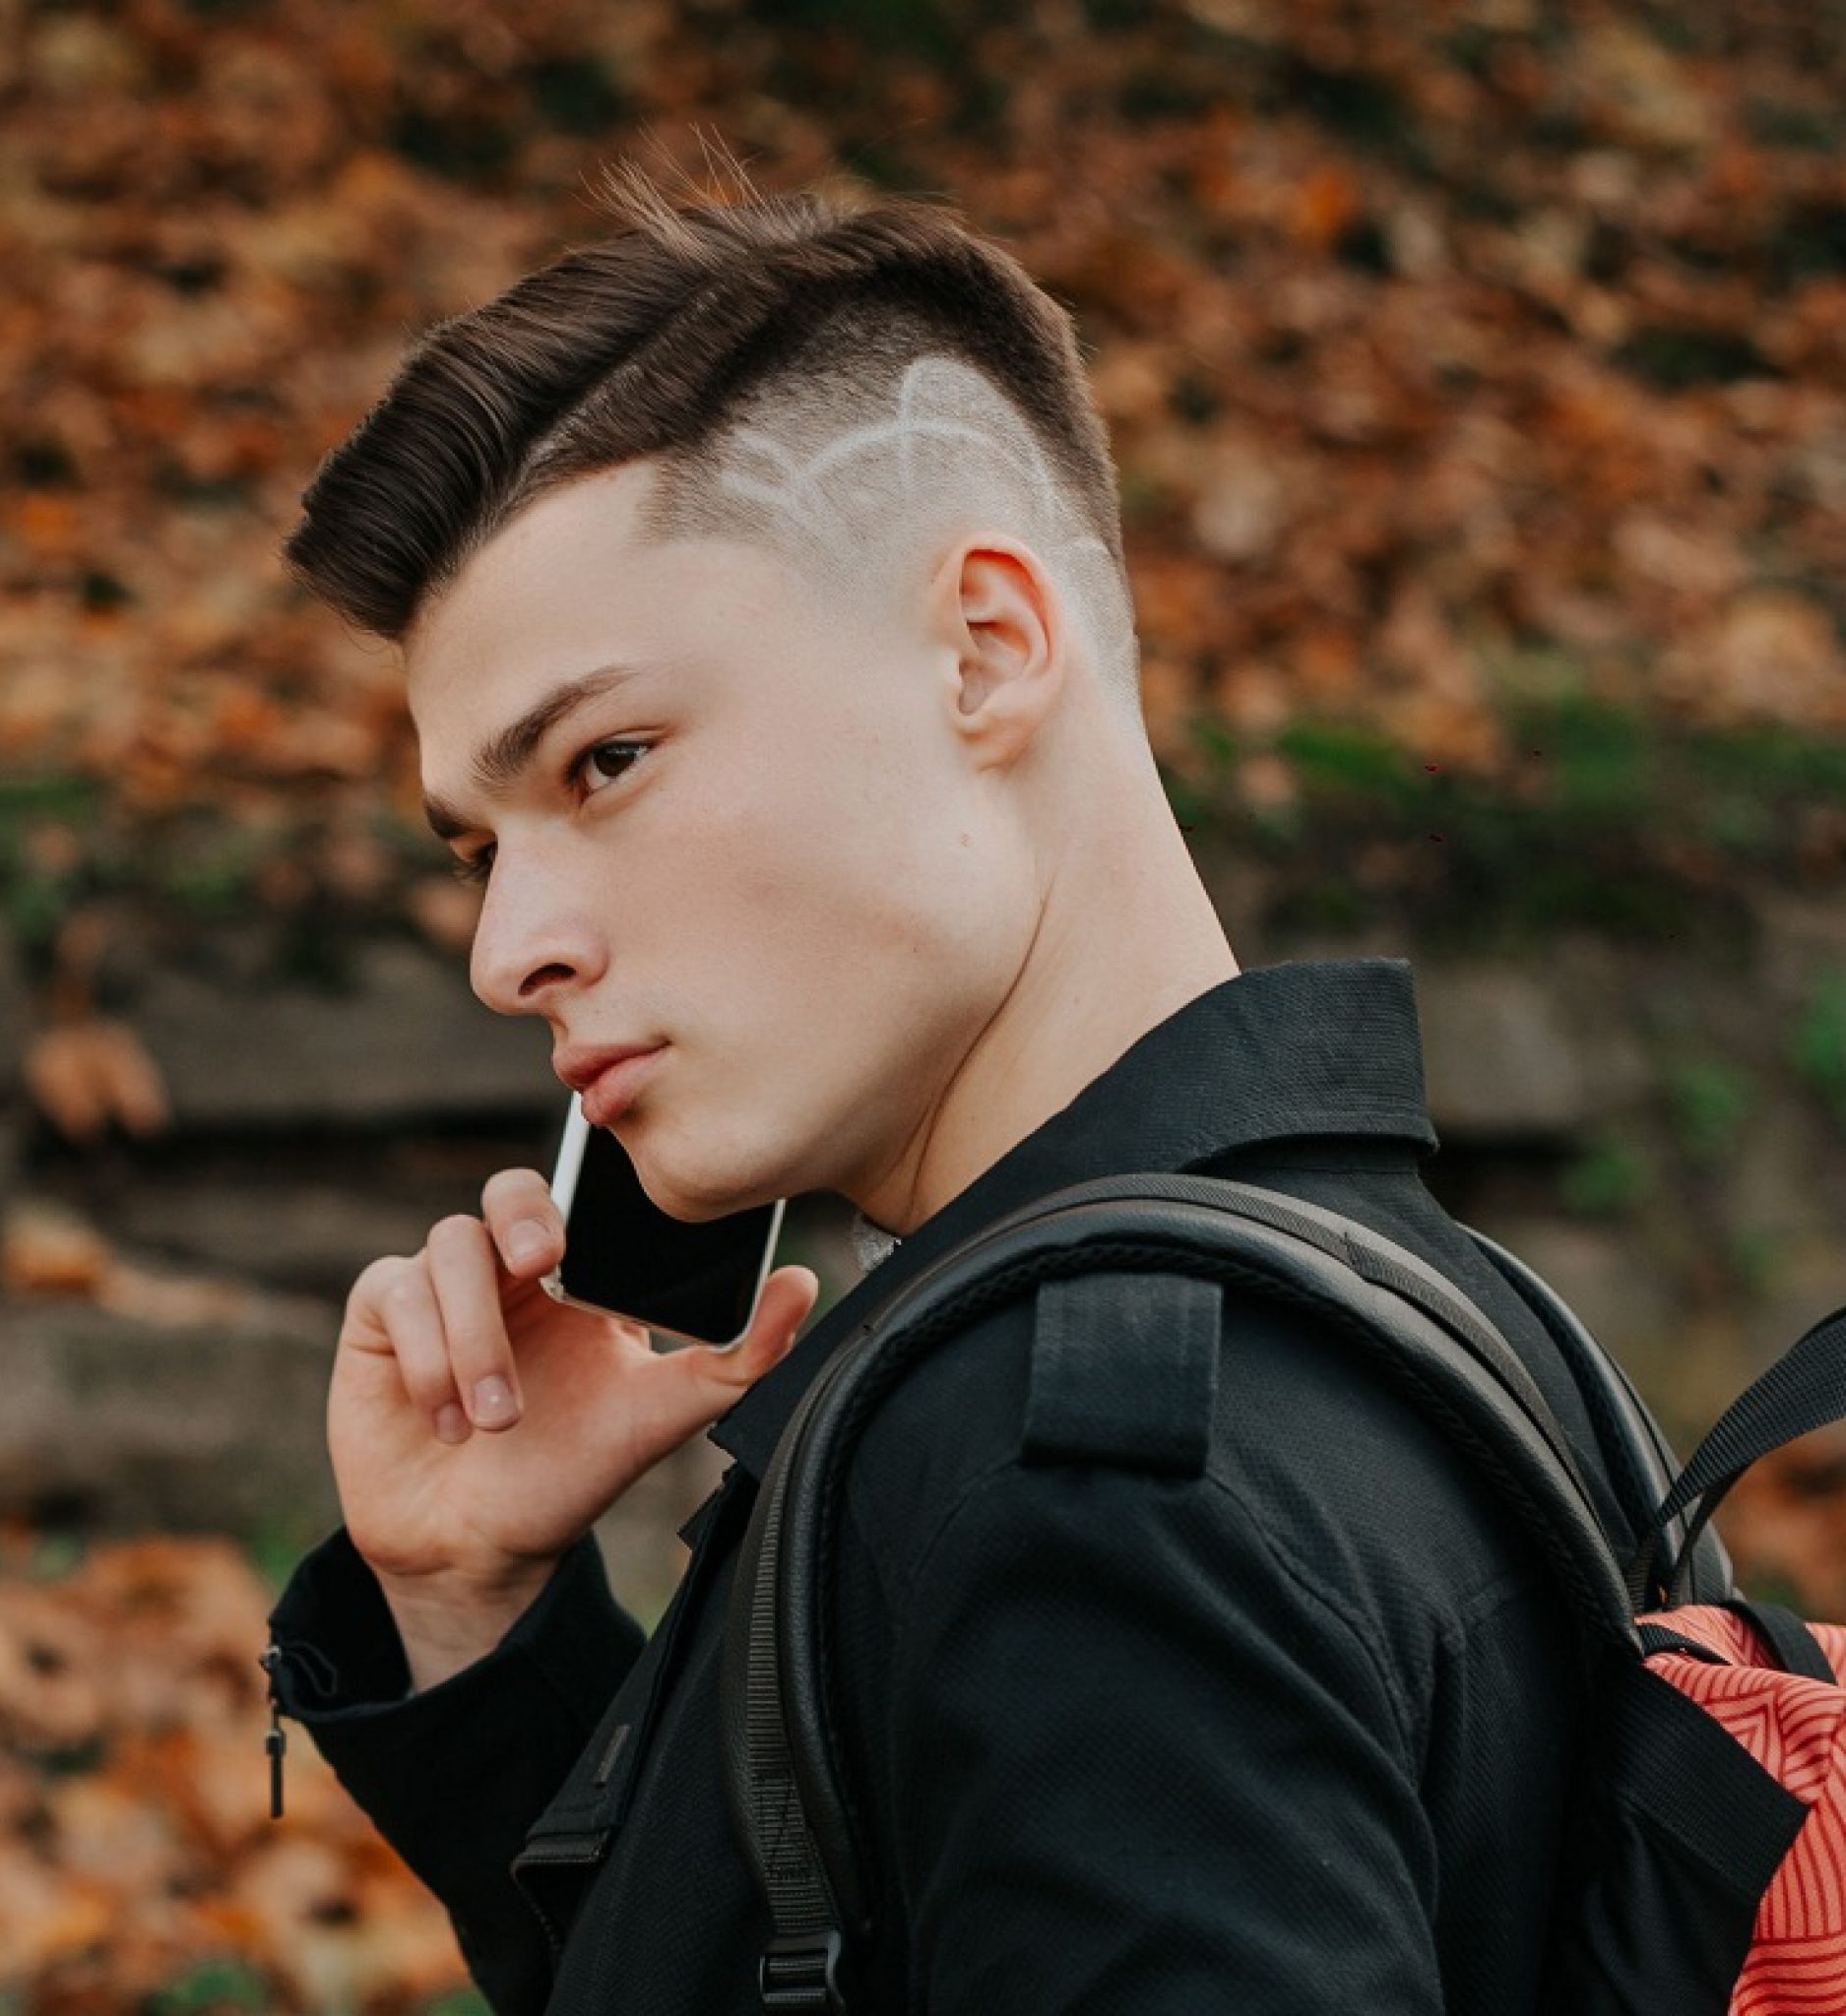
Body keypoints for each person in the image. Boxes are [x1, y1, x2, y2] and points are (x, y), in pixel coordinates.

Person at [262, 161, 1629, 2015]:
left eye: (606, 760)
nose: (510, 952)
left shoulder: (1084, 1478)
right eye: (472, 850)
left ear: (985, 650)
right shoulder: (1448, 1324)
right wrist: (473, 1609)